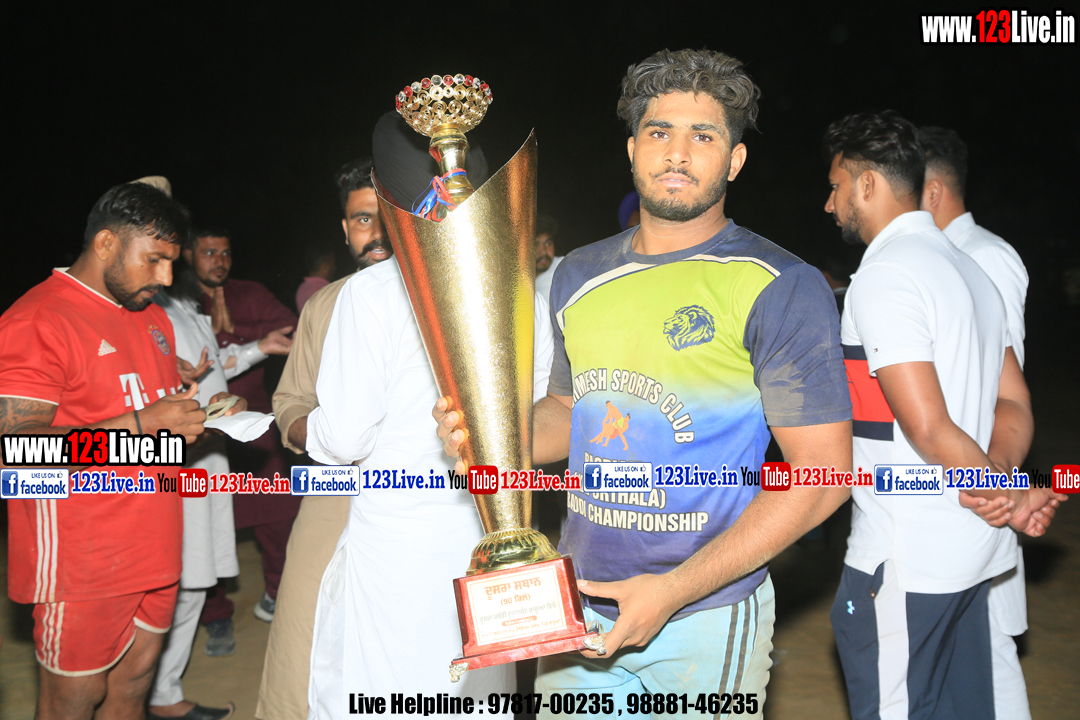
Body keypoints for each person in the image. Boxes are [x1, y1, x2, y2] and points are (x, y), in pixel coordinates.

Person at [438, 48, 853, 719]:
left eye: (704, 136)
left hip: (703, 613)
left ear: (735, 161)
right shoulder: (578, 275)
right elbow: (568, 412)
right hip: (575, 603)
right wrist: (490, 436)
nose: (677, 153)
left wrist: (672, 591)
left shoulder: (780, 284)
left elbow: (823, 477)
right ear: (633, 149)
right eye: (659, 132)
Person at [823, 110, 1065, 720]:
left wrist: (1006, 495)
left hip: (909, 555)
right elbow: (1014, 401)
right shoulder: (969, 269)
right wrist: (1003, 484)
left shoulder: (885, 275)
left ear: (867, 184)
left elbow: (928, 428)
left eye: (836, 186)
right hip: (972, 551)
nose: (830, 204)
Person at [0, 182, 211, 719]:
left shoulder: (153, 317)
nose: (166, 278)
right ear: (106, 244)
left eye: (172, 262)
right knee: (73, 699)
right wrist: (144, 423)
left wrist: (189, 423)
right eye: (154, 259)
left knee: (134, 685)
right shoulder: (38, 319)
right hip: (83, 556)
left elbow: (151, 425)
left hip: (157, 542)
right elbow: (14, 452)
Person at [257, 155, 393, 720]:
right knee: (305, 631)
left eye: (386, 216)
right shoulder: (326, 304)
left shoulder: (447, 301)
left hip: (431, 497)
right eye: (362, 219)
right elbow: (291, 398)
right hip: (335, 491)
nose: (375, 232)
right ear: (345, 228)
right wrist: (312, 430)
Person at [918, 124, 1035, 720]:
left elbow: (1001, 385)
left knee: (988, 659)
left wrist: (992, 481)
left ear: (933, 191)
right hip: (952, 482)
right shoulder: (937, 259)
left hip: (978, 487)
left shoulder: (985, 257)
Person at [182, 227, 298, 648]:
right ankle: (215, 614)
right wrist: (243, 344)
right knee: (206, 525)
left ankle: (279, 594)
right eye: (209, 252)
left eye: (226, 252)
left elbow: (290, 326)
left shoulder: (248, 292)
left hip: (252, 425)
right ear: (188, 255)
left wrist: (240, 335)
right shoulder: (175, 301)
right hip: (197, 431)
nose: (220, 261)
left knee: (279, 514)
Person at [295, 244, 336, 314]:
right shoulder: (326, 290)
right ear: (325, 267)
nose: (334, 268)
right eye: (333, 264)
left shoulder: (301, 289)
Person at [533, 213, 563, 302]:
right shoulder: (515, 280)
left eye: (548, 244)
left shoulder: (564, 267)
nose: (543, 252)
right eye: (535, 245)